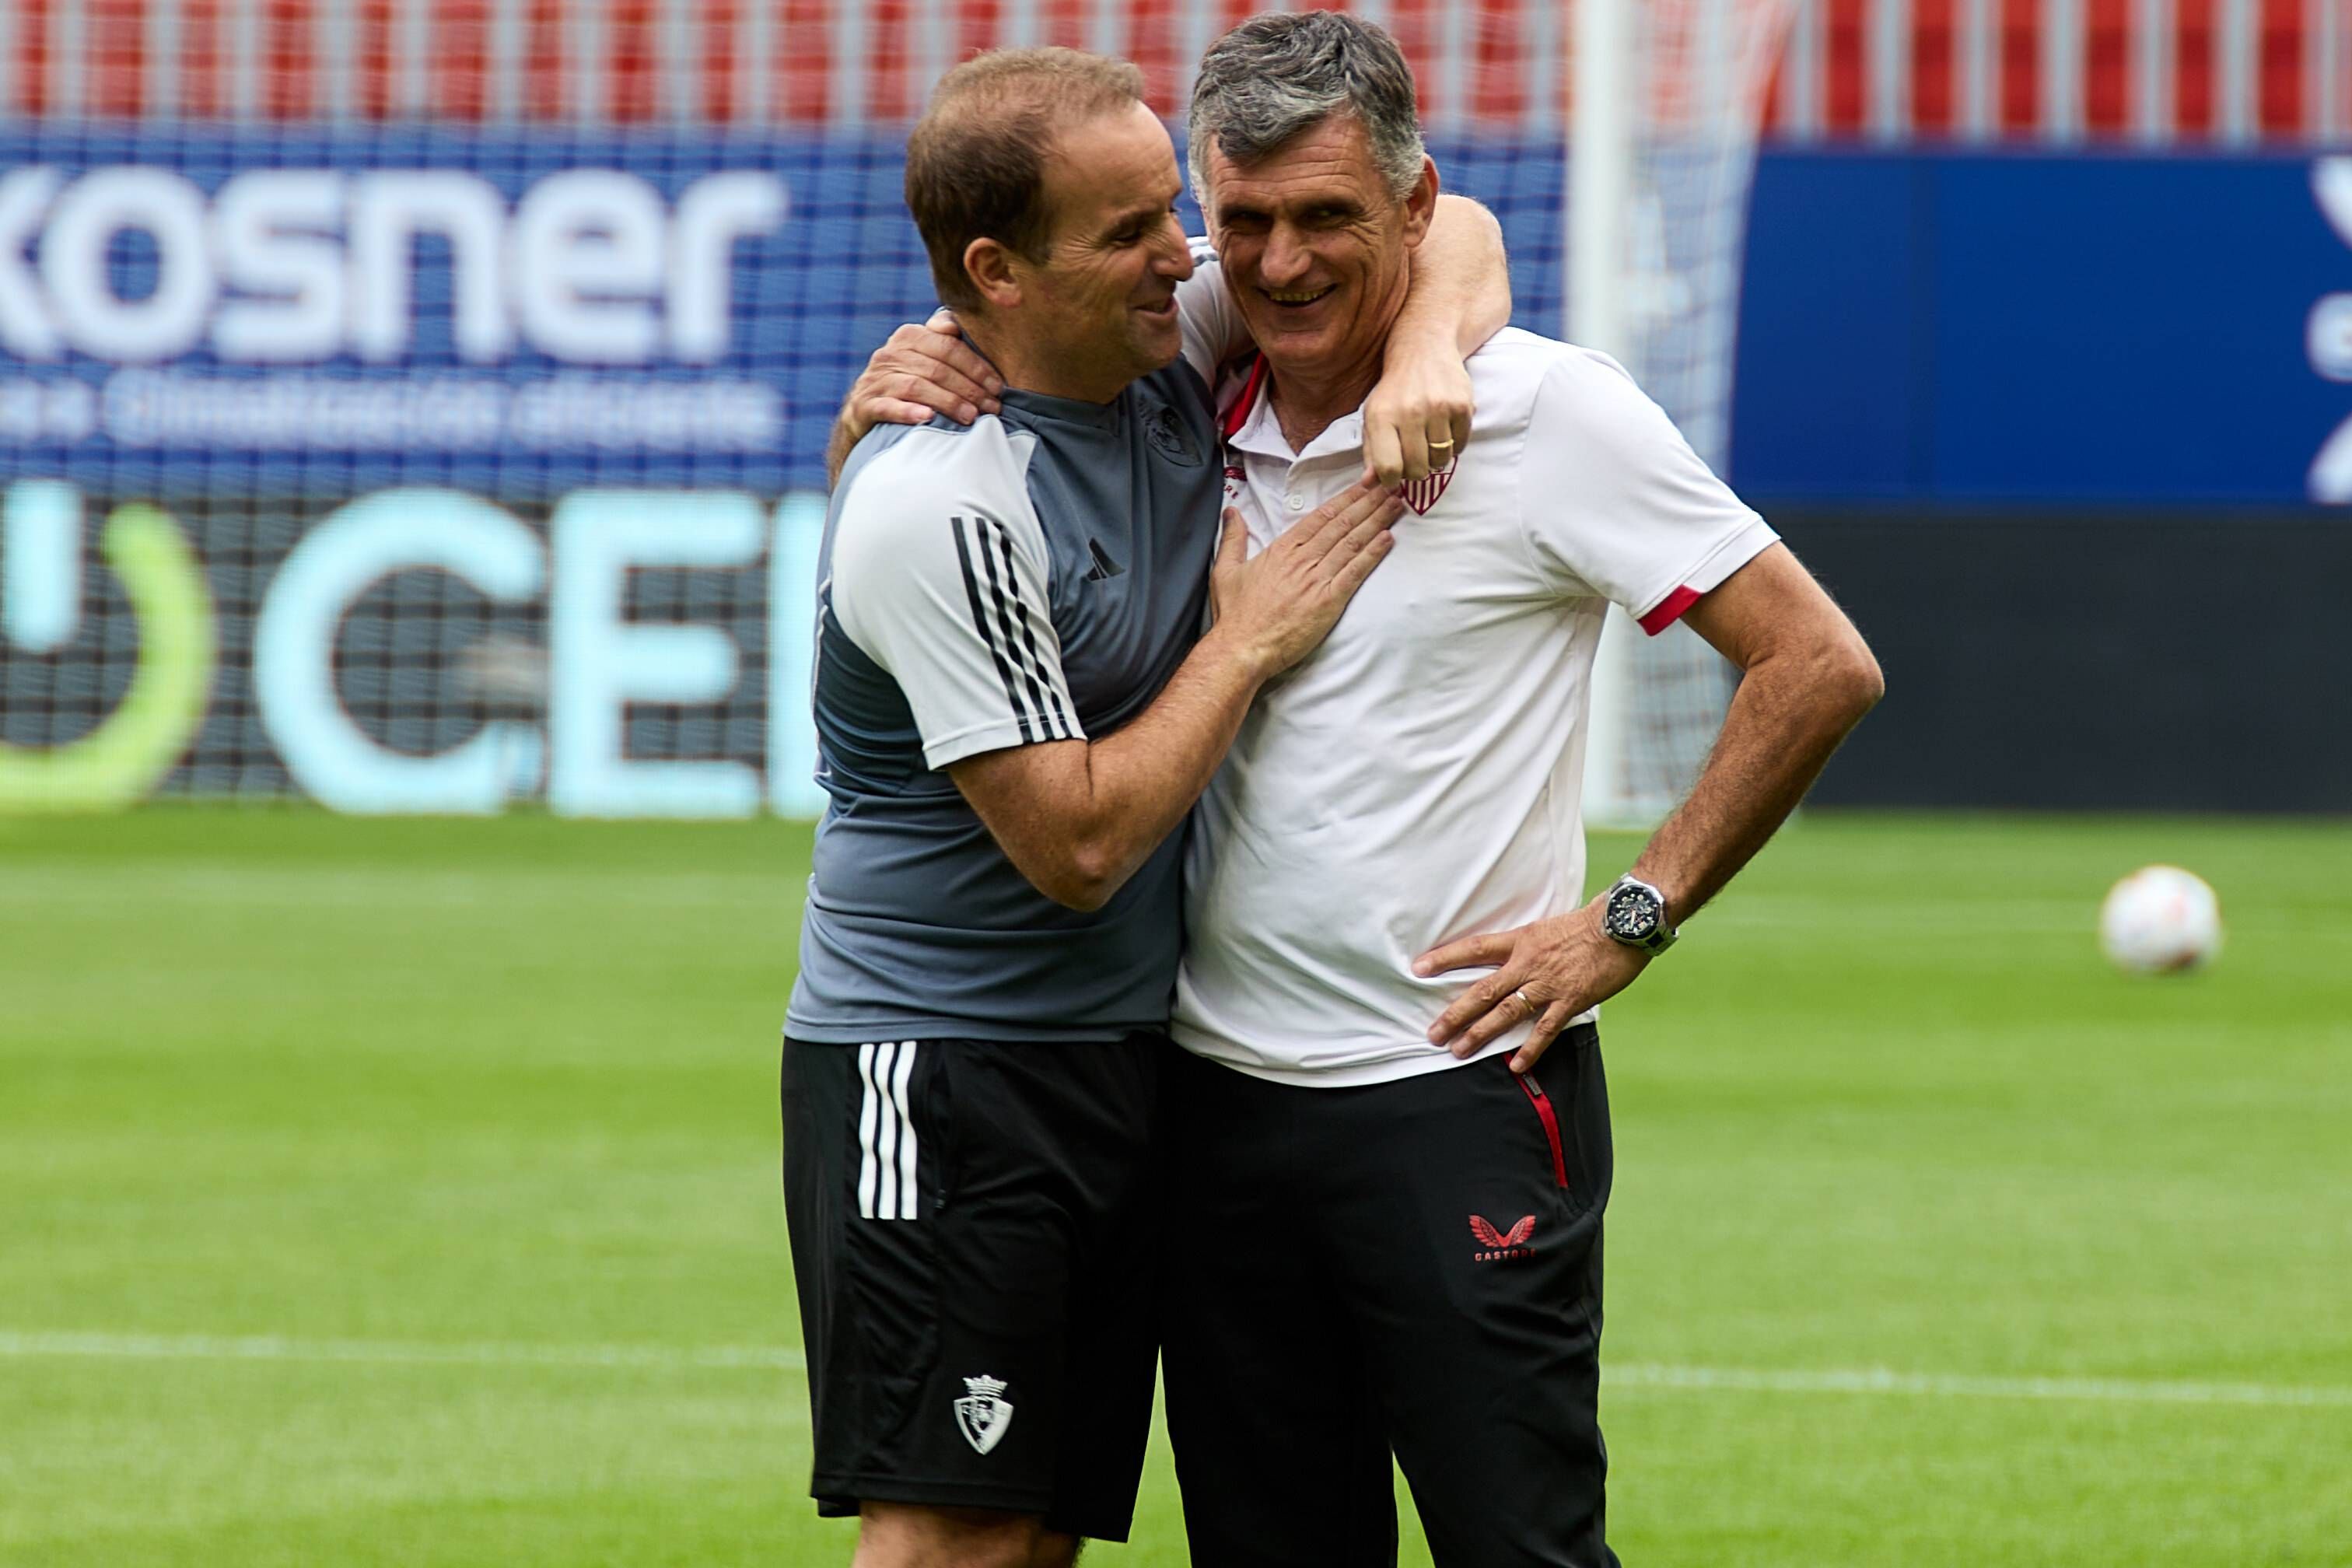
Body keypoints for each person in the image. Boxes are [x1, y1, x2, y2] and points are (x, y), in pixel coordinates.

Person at [874, 13, 1882, 1566]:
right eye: (1245, 220)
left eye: (1329, 217)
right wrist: (886, 387)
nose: (1280, 264)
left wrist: (1628, 918)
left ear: (1413, 207)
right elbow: (1029, 323)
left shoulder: (1551, 415)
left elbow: (1816, 664)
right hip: (1210, 1102)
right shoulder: (1180, 374)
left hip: (1455, 1094)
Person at [782, 45, 1510, 1568]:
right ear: (998, 272)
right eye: (1130, 231)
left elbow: (1448, 223)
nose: (1188, 257)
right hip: (944, 1067)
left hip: (1118, 1063)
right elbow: (1081, 846)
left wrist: (1427, 351)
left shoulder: (1153, 350)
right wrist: (1243, 645)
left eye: (1172, 213)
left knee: (1036, 1538)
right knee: (949, 1540)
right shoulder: (940, 494)